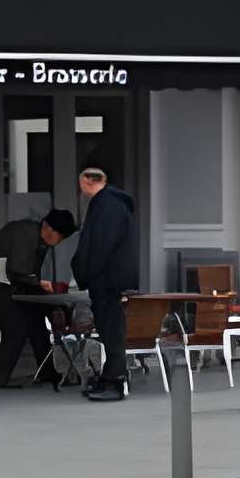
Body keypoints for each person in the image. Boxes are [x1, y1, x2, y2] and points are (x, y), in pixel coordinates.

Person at [0, 207, 77, 387]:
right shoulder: (25, 234)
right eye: (59, 236)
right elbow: (17, 270)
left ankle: (47, 373)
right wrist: (40, 285)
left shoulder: (40, 238)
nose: (59, 241)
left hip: (18, 285)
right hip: (1, 285)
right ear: (47, 227)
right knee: (15, 331)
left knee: (37, 323)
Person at [73, 164, 142, 401]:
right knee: (109, 327)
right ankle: (111, 376)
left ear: (86, 181)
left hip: (106, 279)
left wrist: (85, 271)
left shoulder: (106, 205)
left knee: (111, 328)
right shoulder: (113, 204)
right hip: (111, 278)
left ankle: (115, 379)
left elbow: (100, 245)